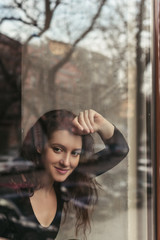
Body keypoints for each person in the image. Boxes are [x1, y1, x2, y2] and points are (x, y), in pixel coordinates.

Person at [0, 109, 129, 240]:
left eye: (75, 153)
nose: (66, 162)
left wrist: (101, 124)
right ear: (39, 145)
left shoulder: (63, 184)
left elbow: (119, 151)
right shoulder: (8, 190)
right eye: (58, 149)